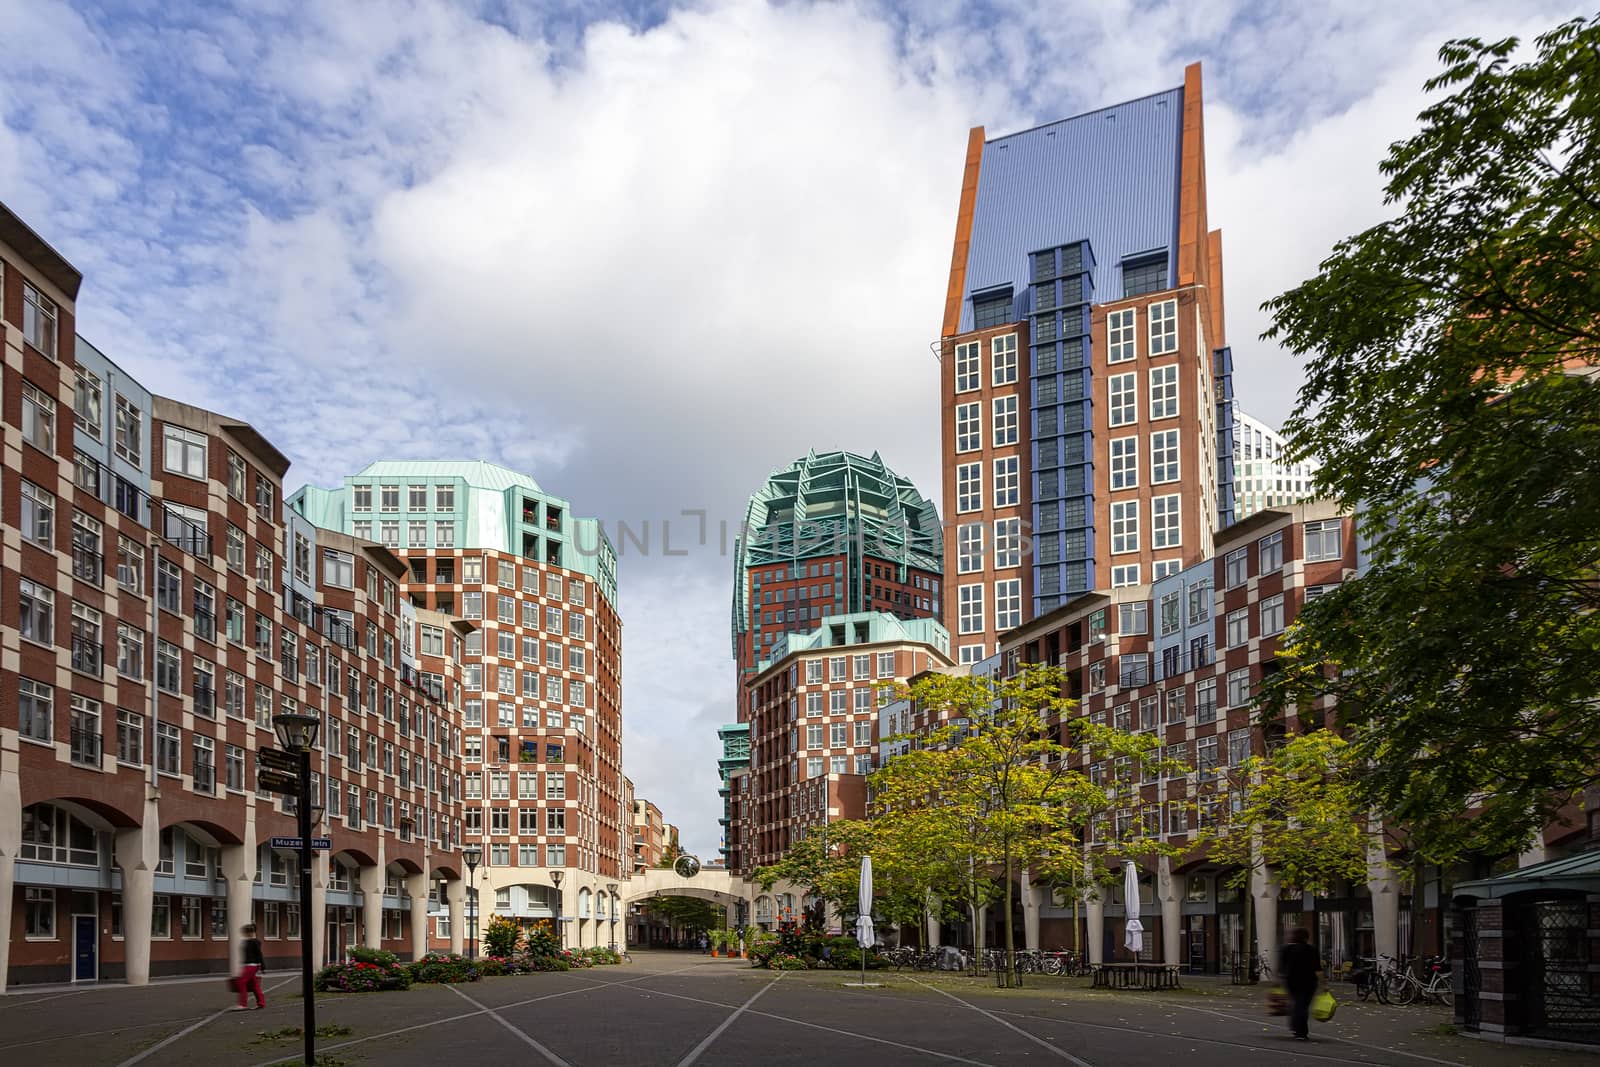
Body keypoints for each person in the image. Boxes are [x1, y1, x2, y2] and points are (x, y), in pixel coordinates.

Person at [1279, 928, 1320, 1041]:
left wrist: (1279, 980)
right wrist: (1324, 984)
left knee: (1297, 1003)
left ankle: (1296, 1027)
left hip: (1291, 981)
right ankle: (1301, 1031)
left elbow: (1282, 967)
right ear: (1306, 937)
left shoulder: (1286, 949)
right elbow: (1317, 968)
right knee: (1303, 1005)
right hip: (1309, 981)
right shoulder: (1312, 949)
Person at [234, 923, 266, 1011]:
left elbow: (259, 954)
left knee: (240, 981)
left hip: (252, 965)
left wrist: (262, 966)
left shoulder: (255, 942)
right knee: (254, 985)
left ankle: (243, 1004)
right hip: (248, 965)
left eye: (244, 932)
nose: (243, 934)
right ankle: (261, 1003)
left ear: (250, 932)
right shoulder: (246, 941)